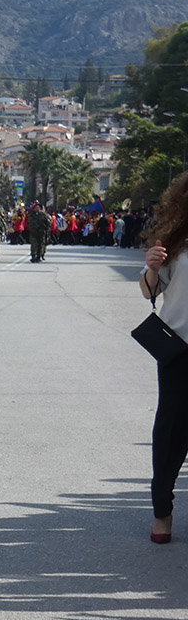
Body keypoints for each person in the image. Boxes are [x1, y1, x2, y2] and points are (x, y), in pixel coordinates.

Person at [139, 172, 188, 545]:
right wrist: (152, 267)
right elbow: (148, 291)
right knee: (170, 432)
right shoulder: (176, 242)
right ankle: (162, 512)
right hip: (179, 349)